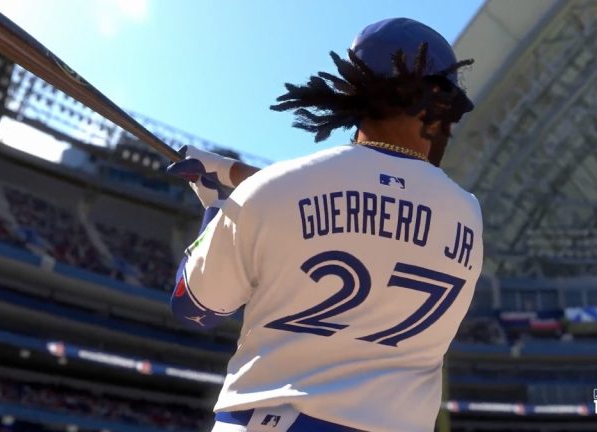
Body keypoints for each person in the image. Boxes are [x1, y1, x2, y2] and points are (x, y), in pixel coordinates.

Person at [167, 17, 483, 432]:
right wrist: (236, 178)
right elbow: (381, 197)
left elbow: (195, 308)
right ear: (439, 101)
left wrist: (216, 210)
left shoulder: (272, 190)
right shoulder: (469, 215)